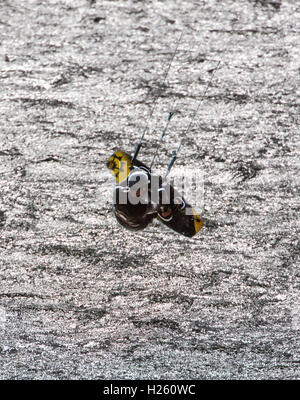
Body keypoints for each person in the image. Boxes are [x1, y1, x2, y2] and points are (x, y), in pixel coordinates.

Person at [113, 167, 185, 231]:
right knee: (160, 195)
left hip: (120, 218)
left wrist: (135, 174)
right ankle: (165, 212)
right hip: (137, 225)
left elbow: (128, 181)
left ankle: (143, 175)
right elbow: (155, 205)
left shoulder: (118, 191)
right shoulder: (140, 209)